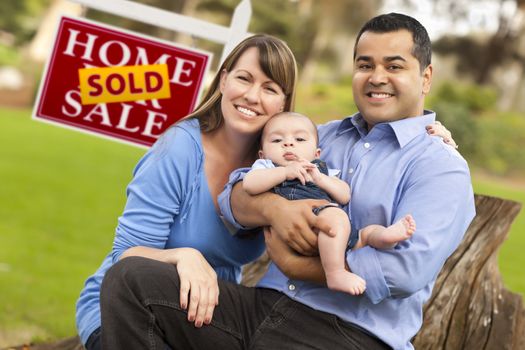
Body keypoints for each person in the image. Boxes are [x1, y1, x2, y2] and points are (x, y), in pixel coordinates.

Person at [97, 15, 464, 350]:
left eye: (394, 66)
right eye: (365, 65)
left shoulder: (440, 166)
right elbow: (233, 197)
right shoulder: (320, 136)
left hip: (347, 334)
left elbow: (404, 271)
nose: (376, 77)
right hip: (261, 307)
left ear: (426, 76)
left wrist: (294, 264)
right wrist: (274, 208)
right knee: (132, 280)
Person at [75, 34, 298, 350]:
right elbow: (126, 254)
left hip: (203, 315)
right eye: (244, 79)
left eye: (269, 88)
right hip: (123, 308)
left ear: (284, 103)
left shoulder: (276, 169)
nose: (252, 96)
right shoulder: (179, 148)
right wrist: (184, 256)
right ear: (223, 80)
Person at [243, 111, 416, 295]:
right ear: (262, 154)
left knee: (365, 233)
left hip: (333, 233)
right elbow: (249, 185)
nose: (288, 143)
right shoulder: (267, 167)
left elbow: (344, 195)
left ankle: (384, 237)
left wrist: (320, 179)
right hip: (308, 225)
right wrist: (284, 173)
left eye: (300, 139)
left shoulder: (318, 170)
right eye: (277, 141)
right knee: (335, 216)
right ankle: (335, 272)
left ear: (316, 153)